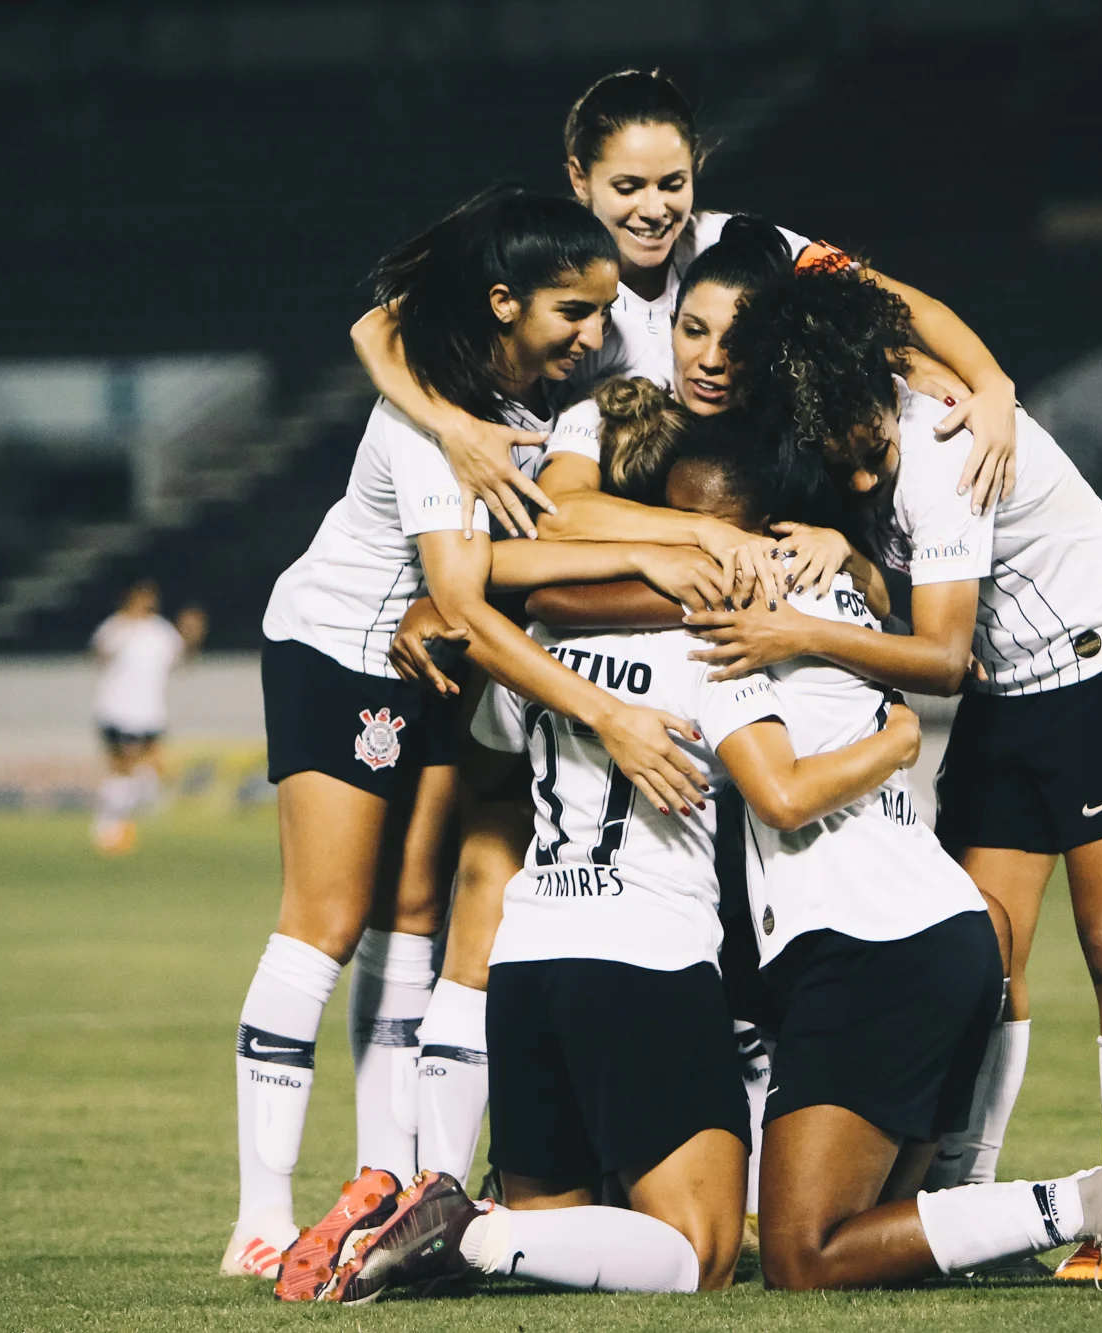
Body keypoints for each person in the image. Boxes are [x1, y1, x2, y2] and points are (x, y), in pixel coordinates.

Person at [319, 421, 1102, 1303]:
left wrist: (457, 609)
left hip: (571, 951)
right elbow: (806, 763)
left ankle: (467, 1216)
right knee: (753, 1243)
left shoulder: (622, 637)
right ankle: (475, 1228)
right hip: (807, 939)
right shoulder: (776, 615)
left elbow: (509, 748)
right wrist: (898, 737)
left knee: (784, 1243)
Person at [227, 186, 724, 1293]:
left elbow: (509, 548)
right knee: (326, 917)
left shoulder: (530, 383)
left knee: (415, 912)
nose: (596, 337)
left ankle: (383, 1178)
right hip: (345, 648)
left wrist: (673, 538)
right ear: (503, 303)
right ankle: (258, 1215)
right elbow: (459, 591)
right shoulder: (430, 412)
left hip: (441, 658)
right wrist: (606, 708)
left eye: (602, 313)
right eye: (571, 315)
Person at [692, 262, 1102, 1287]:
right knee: (991, 943)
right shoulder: (852, 416)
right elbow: (929, 612)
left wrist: (791, 627)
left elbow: (938, 656)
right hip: (1012, 692)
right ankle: (968, 1207)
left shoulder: (936, 445)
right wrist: (848, 551)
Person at [384, 218, 879, 1210]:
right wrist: (689, 554)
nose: (706, 357)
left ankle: (473, 1196)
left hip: (700, 743)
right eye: (691, 330)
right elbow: (547, 526)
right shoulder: (621, 404)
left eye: (731, 342)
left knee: (744, 938)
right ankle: (429, 1178)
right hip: (632, 720)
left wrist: (837, 547)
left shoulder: (800, 427)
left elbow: (866, 567)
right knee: (482, 869)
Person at [349, 68, 1019, 545]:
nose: (654, 207)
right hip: (621, 533)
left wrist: (989, 383)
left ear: (697, 167)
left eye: (673, 183)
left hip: (756, 520)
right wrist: (454, 430)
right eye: (627, 186)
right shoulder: (546, 259)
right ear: (579, 179)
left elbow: (894, 303)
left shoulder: (739, 243)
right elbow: (378, 325)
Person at [87, 580, 207, 855]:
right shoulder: (117, 627)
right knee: (121, 768)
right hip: (116, 708)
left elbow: (182, 658)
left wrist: (192, 636)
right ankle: (109, 827)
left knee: (148, 771)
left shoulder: (159, 631)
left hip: (149, 712)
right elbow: (98, 654)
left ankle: (114, 819)